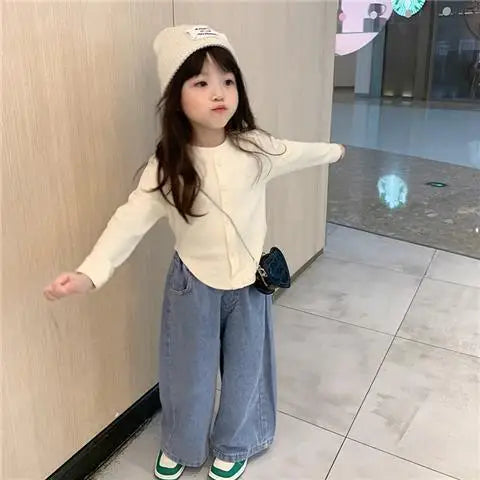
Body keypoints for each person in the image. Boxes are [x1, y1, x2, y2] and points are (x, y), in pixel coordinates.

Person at [43, 25, 345, 480]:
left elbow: (297, 152)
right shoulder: (167, 166)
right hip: (193, 285)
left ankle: (238, 441)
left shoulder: (256, 148)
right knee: (187, 371)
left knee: (246, 369)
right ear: (176, 97)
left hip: (249, 284)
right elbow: (128, 221)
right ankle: (182, 443)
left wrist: (336, 151)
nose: (218, 93)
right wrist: (90, 273)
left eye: (228, 80)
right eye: (201, 83)